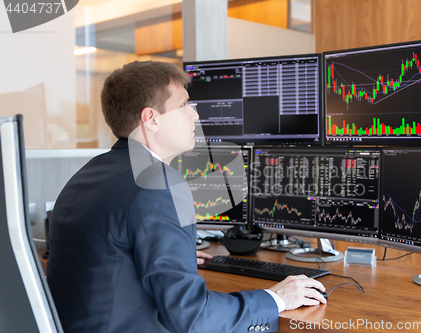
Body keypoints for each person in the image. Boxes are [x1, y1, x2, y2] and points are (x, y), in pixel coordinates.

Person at [47, 61, 326, 333]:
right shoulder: (157, 184)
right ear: (151, 119)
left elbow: (105, 256)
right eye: (183, 105)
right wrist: (275, 298)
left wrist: (166, 253)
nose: (195, 115)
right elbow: (192, 317)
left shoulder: (87, 174)